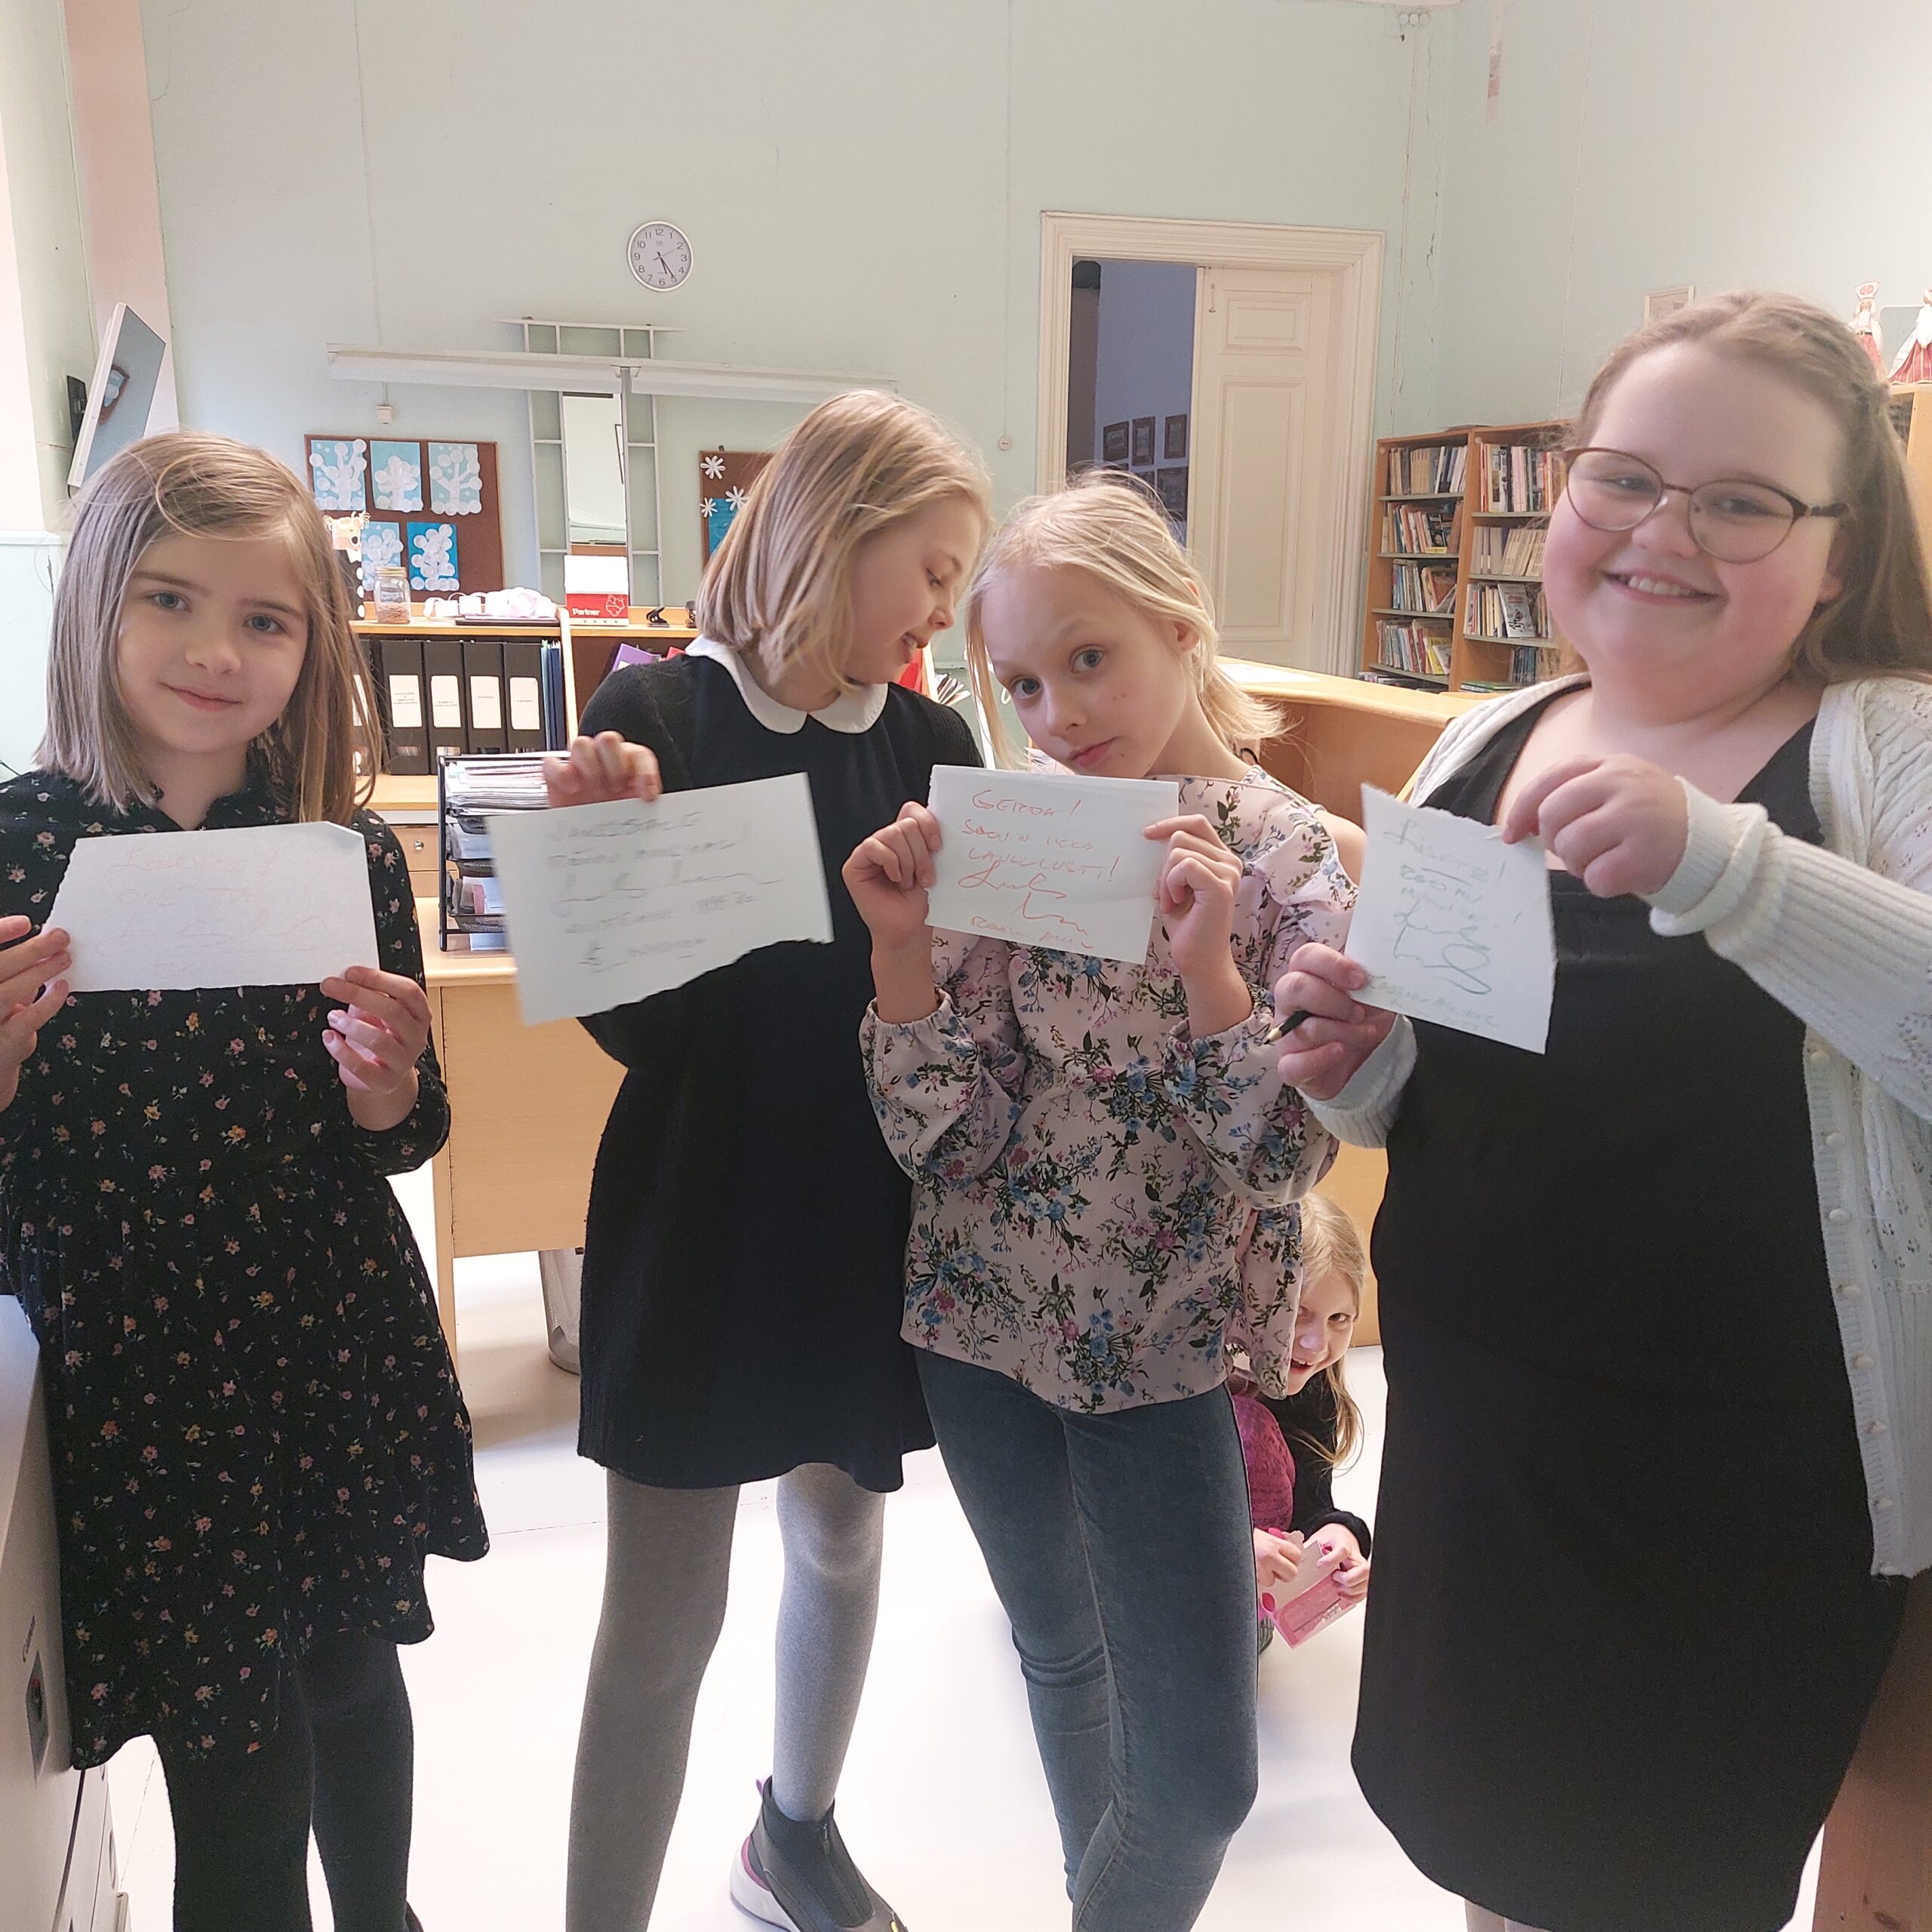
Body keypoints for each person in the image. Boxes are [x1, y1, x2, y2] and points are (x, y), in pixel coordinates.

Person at [1275, 291, 1932, 1932]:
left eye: (1741, 501)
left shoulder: (1888, 747)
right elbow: (1433, 1101)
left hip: (1731, 1497)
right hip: (1479, 1452)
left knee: (1644, 1881)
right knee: (1493, 1860)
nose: (1660, 532)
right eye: (1622, 478)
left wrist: (1727, 866)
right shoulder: (1483, 736)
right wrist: (1360, 1060)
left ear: (1840, 557)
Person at [844, 472, 1353, 1931]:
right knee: (1061, 1662)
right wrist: (902, 951)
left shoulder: (1289, 854)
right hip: (979, 1322)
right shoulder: (1023, 835)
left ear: (1182, 627)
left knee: (1194, 1780)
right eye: (1021, 682)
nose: (1058, 713)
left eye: (1089, 658)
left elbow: (1289, 1160)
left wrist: (1210, 978)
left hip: (1166, 1356)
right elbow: (942, 1138)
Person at [0, 432, 486, 1932]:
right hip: (140, 1365)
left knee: (351, 1667)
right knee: (233, 1757)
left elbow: (401, 1133)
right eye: (169, 600)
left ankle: (385, 1916)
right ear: (96, 607)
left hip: (324, 1336)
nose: (216, 652)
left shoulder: (342, 852)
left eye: (264, 619)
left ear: (312, 646)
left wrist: (389, 1084)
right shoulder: (16, 846)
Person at [553, 391, 989, 1932]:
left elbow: (957, 998)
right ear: (835, 531)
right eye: (929, 570)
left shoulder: (933, 744)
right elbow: (631, 1027)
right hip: (698, 1209)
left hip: (862, 1210)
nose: (940, 610)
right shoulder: (660, 716)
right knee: (661, 1618)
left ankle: (792, 1836)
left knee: (843, 1532)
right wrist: (604, 852)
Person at [1241, 1190, 1372, 1638]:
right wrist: (1232, 1547)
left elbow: (1309, 1502)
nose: (1318, 1345)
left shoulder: (1315, 1388)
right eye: (1299, 1313)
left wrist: (1337, 1535)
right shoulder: (1193, 1383)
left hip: (1241, 1597)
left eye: (1340, 1319)